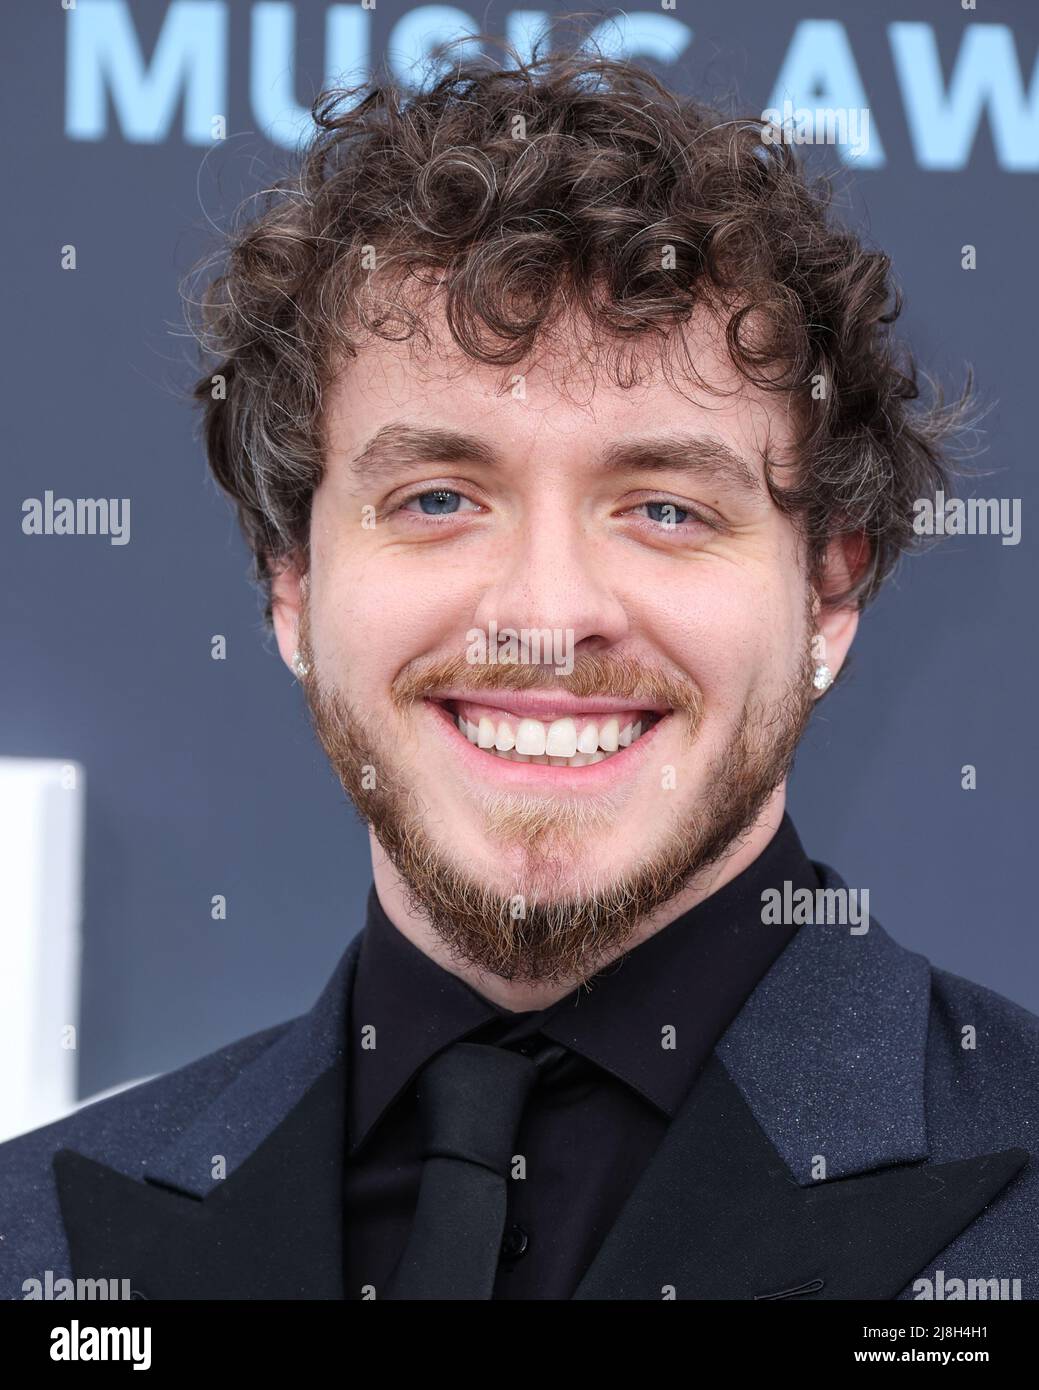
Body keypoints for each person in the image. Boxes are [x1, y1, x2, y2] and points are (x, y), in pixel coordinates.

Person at [2, 34, 1036, 1302]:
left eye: (663, 507)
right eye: (439, 495)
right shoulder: (32, 1239)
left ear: (827, 594)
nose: (547, 616)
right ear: (293, 585)